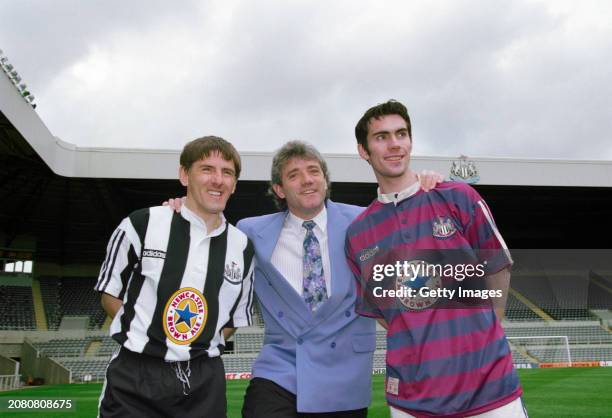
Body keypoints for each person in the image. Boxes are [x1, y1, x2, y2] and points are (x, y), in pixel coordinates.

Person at [166, 141, 442, 417]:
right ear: (279, 189)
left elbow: (412, 240)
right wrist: (184, 210)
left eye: (313, 171)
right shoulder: (251, 230)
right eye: (294, 175)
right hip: (279, 371)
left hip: (344, 376)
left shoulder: (363, 220)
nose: (307, 180)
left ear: (324, 180)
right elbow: (210, 234)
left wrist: (424, 190)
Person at [345, 100, 527, 418]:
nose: (394, 144)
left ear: (411, 141)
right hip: (412, 399)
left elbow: (498, 269)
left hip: (490, 389)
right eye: (381, 137)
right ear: (364, 150)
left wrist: (487, 331)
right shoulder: (359, 234)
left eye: (401, 133)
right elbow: (384, 313)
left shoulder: (457, 197)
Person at [95, 136, 255, 418]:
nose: (218, 180)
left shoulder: (243, 247)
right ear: (184, 174)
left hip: (204, 382)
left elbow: (232, 320)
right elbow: (110, 293)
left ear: (235, 183)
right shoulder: (141, 224)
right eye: (207, 169)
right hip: (136, 376)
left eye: (227, 172)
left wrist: (194, 342)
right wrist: (149, 334)